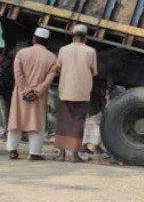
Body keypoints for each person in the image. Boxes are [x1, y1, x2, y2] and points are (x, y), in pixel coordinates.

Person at [7, 28, 57, 160]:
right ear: (47, 41)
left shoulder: (21, 53)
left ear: (34, 39)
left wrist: (25, 90)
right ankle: (34, 153)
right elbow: (49, 79)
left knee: (16, 120)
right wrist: (37, 91)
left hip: (20, 93)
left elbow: (18, 74)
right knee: (36, 123)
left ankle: (12, 150)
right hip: (38, 96)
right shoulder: (52, 57)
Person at [54, 25, 97, 162]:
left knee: (63, 122)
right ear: (85, 37)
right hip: (82, 92)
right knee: (78, 123)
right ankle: (75, 155)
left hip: (66, 90)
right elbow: (94, 71)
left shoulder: (63, 50)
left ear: (73, 35)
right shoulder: (90, 51)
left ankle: (61, 155)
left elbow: (58, 67)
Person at [0, 47, 15, 140]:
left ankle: (12, 131)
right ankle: (6, 131)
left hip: (12, 92)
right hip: (2, 92)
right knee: (4, 112)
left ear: (4, 56)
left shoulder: (12, 65)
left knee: (12, 112)